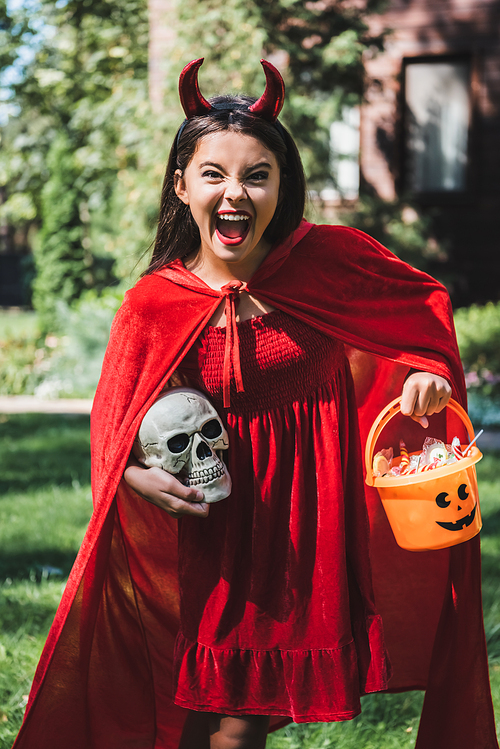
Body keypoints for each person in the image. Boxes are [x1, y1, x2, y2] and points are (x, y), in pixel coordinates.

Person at [12, 59, 498, 749]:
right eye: (213, 174)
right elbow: (114, 432)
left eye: (256, 174)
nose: (234, 192)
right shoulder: (152, 306)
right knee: (211, 712)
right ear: (182, 186)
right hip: (206, 533)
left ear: (281, 185)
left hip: (304, 528)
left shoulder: (328, 263)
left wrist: (425, 371)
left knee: (237, 718)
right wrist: (134, 476)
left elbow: (419, 311)